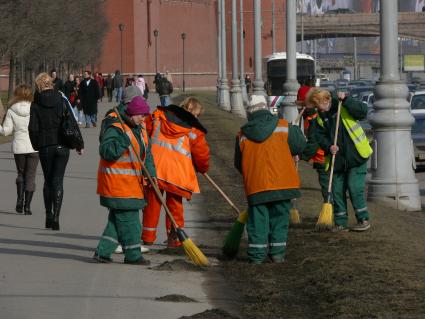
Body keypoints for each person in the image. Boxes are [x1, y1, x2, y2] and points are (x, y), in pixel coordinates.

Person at [234, 95, 318, 264]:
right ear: (266, 108)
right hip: (284, 183)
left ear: (249, 112)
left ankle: (257, 256)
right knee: (279, 220)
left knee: (258, 221)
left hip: (256, 186)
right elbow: (301, 146)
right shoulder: (283, 126)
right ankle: (277, 254)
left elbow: (238, 163)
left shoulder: (242, 134)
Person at [94, 95, 155, 265]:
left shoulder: (140, 128)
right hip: (117, 184)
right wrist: (123, 141)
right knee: (131, 221)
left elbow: (147, 154)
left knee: (117, 221)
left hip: (132, 185)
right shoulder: (116, 128)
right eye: (142, 115)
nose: (144, 118)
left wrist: (151, 174)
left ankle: (103, 252)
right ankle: (133, 255)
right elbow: (106, 151)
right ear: (133, 113)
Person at [142, 97, 209, 248]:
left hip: (154, 169)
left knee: (152, 204)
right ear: (194, 113)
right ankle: (175, 239)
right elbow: (201, 154)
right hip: (176, 175)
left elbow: (145, 132)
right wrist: (202, 168)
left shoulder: (159, 116)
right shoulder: (194, 131)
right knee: (175, 208)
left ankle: (147, 237)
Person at [311, 89, 372, 232]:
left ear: (325, 101)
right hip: (337, 160)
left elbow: (362, 112)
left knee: (354, 187)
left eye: (319, 105)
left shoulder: (343, 105)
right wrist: (328, 146)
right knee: (337, 191)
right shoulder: (320, 117)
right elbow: (318, 136)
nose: (318, 109)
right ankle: (340, 222)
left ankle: (363, 219)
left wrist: (347, 100)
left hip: (356, 155)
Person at [29, 73, 84, 230]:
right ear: (51, 84)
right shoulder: (61, 100)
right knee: (58, 180)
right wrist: (80, 144)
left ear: (38, 85)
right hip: (62, 145)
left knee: (48, 180)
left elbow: (33, 129)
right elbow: (72, 122)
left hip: (46, 146)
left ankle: (48, 215)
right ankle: (56, 217)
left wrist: (36, 145)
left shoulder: (36, 104)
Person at [0, 85, 39, 215]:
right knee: (31, 176)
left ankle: (19, 200)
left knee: (20, 173)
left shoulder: (12, 110)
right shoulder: (34, 108)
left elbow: (6, 131)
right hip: (34, 146)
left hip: (19, 146)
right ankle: (27, 206)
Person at [297, 87, 329, 202]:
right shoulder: (311, 116)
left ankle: (332, 209)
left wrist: (301, 156)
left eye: (301, 104)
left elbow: (314, 142)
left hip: (323, 158)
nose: (299, 108)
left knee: (328, 187)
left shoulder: (314, 117)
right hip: (322, 158)